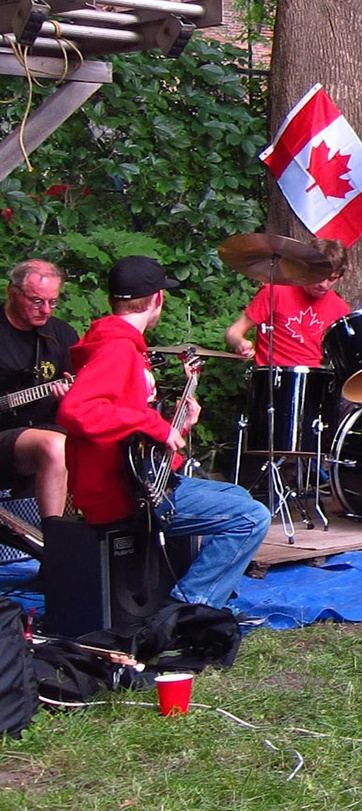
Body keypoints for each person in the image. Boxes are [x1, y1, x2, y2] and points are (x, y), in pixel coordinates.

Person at [57, 256, 270, 609]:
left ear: (113, 301)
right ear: (158, 299)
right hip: (123, 494)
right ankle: (188, 609)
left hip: (139, 480)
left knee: (238, 498)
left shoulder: (117, 344)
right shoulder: (117, 349)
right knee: (253, 517)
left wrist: (178, 422)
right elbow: (76, 410)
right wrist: (152, 423)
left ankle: (203, 597)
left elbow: (124, 423)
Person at [0, 258, 76, 527]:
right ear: (13, 292)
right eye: (36, 301)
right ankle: (54, 540)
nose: (46, 310)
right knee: (54, 446)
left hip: (49, 427)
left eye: (52, 302)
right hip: (6, 435)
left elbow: (84, 389)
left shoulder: (61, 334)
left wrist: (72, 398)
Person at [225, 239, 350, 365]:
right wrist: (241, 343)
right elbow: (233, 332)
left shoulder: (340, 308)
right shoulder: (275, 291)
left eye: (332, 279)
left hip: (312, 378)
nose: (324, 285)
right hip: (271, 377)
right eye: (320, 277)